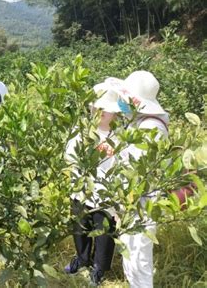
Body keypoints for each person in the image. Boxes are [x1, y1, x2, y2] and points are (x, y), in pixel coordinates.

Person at [107, 70, 169, 288]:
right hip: (132, 200)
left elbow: (139, 173)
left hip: (140, 201)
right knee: (130, 252)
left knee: (139, 256)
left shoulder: (151, 127)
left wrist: (123, 202)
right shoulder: (138, 122)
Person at [64, 82, 120, 286]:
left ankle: (99, 268)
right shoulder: (81, 131)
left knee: (104, 232)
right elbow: (69, 157)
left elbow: (126, 166)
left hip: (106, 195)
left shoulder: (121, 136)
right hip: (81, 191)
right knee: (80, 229)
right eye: (98, 108)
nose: (101, 112)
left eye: (106, 109)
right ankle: (82, 259)